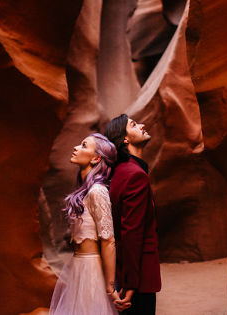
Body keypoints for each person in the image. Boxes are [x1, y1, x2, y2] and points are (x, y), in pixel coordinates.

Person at [50, 133, 121, 314]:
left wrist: (110, 286)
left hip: (90, 269)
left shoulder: (98, 191)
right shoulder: (85, 191)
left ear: (96, 158)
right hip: (77, 265)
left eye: (83, 145)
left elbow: (108, 240)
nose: (75, 148)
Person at [103, 114, 161, 314]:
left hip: (125, 271)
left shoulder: (119, 172)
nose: (142, 125)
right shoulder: (135, 175)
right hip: (138, 278)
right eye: (134, 125)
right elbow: (132, 233)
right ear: (125, 139)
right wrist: (130, 284)